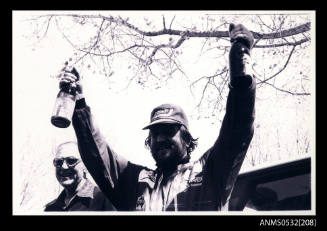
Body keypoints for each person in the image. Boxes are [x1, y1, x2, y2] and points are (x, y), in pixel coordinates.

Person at [59, 23, 256, 211]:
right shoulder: (134, 181)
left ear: (187, 139)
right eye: (155, 133)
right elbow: (98, 156)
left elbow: (237, 129)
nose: (160, 139)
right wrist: (78, 105)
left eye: (169, 131)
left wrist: (241, 77)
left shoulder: (211, 172)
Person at [44, 141, 116, 211]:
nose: (64, 167)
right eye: (58, 162)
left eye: (71, 161)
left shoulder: (105, 201)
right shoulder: (51, 208)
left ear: (85, 166)